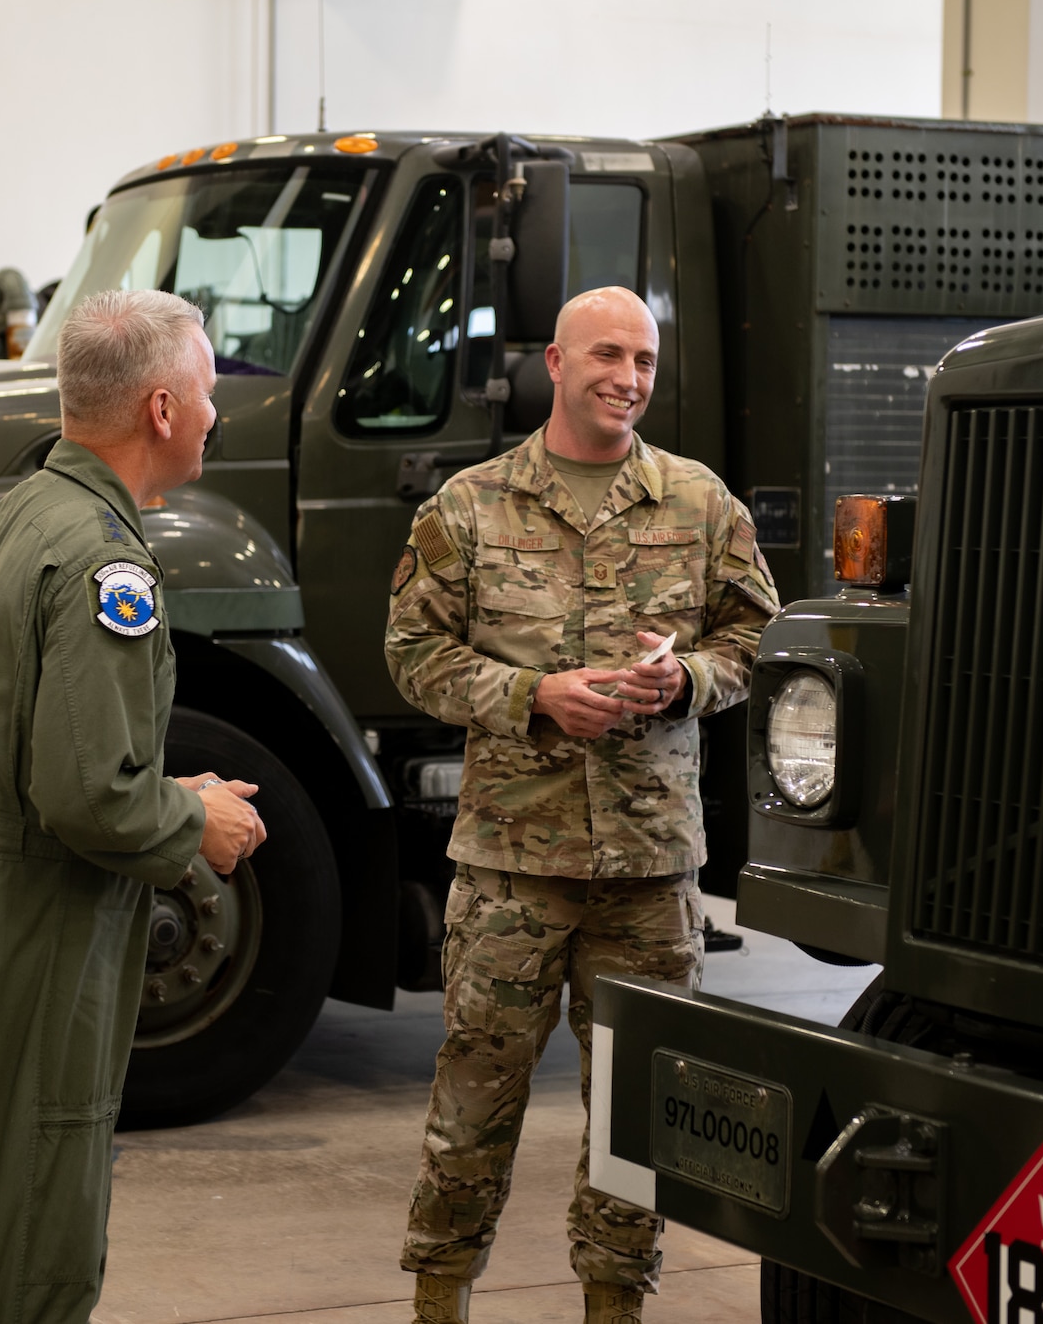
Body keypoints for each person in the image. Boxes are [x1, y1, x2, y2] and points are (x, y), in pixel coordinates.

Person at [386, 287, 780, 1324]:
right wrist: (529, 696)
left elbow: (758, 643)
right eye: (606, 353)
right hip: (512, 864)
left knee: (637, 1114)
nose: (628, 376)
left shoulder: (697, 503)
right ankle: (439, 1300)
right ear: (551, 365)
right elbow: (410, 655)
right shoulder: (469, 506)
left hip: (649, 872)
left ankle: (615, 1306)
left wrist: (685, 680)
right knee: (472, 1105)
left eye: (644, 358)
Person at [0, 288, 266, 1324]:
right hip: (37, 929)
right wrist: (196, 822)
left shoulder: (15, 517)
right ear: (159, 408)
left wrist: (173, 790)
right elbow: (85, 795)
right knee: (29, 1247)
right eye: (203, 393)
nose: (211, 414)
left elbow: (20, 746)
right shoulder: (104, 559)